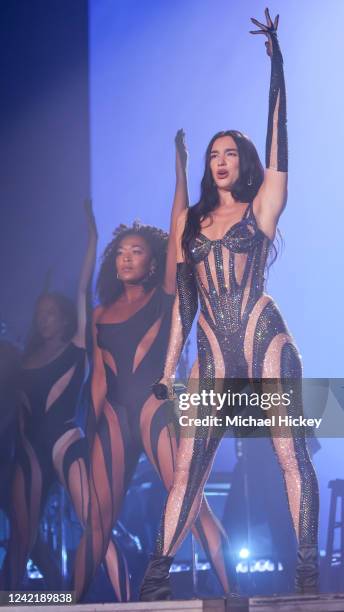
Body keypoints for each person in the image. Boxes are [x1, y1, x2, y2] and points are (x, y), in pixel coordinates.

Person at [141, 9, 320, 600]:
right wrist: (167, 372)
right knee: (189, 466)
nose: (221, 160)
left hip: (264, 336)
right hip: (213, 351)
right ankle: (156, 579)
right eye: (213, 154)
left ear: (242, 162)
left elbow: (279, 144)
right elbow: (182, 305)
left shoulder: (261, 209)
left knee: (289, 452)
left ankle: (307, 568)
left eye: (229, 153)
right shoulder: (191, 225)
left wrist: (278, 66)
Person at [73, 131, 236, 602]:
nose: (126, 258)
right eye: (120, 253)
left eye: (135, 252)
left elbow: (179, 223)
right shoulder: (102, 316)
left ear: (151, 261)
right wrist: (92, 432)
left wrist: (182, 169)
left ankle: (236, 595)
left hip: (156, 408)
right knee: (97, 522)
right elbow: (100, 378)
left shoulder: (165, 297)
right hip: (113, 420)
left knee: (190, 503)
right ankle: (64, 603)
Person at [2, 200, 97, 589]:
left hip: (63, 442)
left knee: (93, 521)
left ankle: (90, 599)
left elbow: (81, 288)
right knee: (22, 538)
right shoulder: (23, 359)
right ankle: (20, 603)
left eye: (49, 313)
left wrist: (92, 236)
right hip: (27, 452)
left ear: (62, 316)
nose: (43, 319)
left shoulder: (75, 347)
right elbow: (17, 413)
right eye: (38, 314)